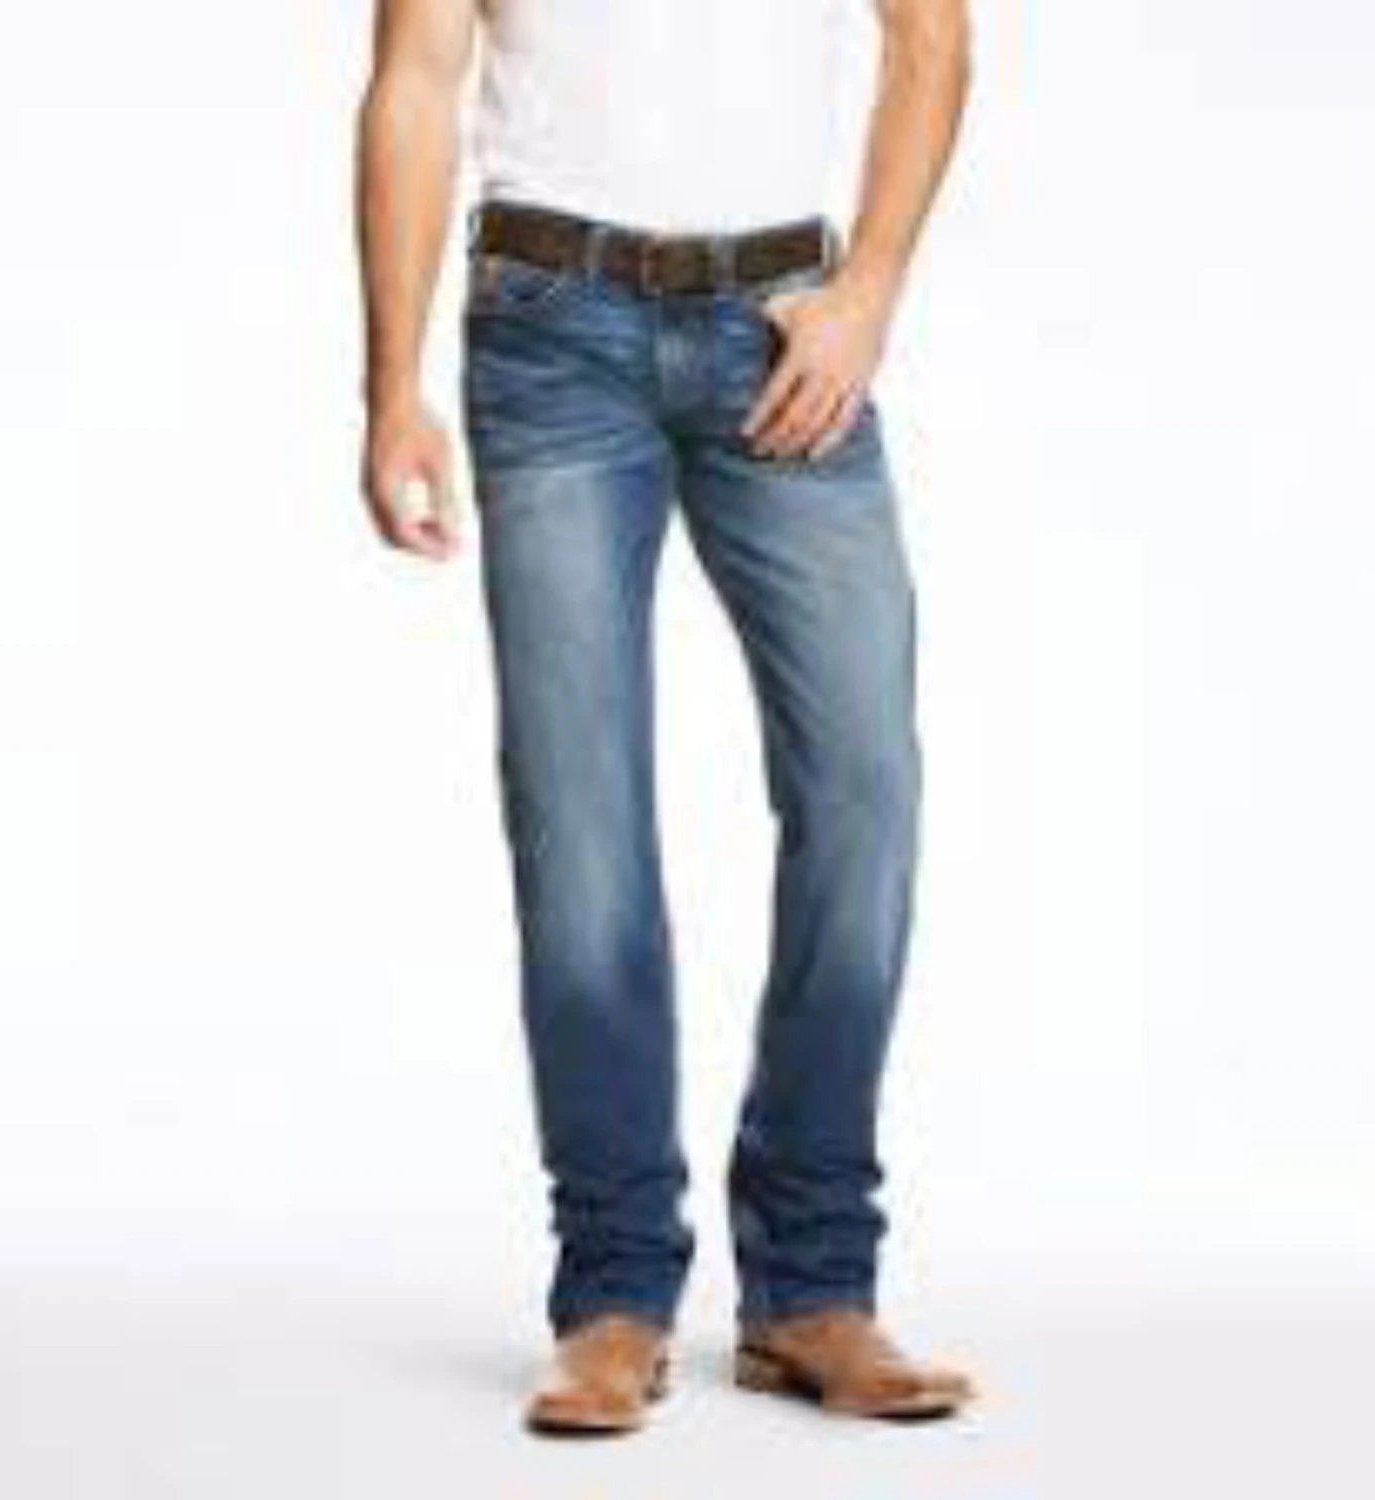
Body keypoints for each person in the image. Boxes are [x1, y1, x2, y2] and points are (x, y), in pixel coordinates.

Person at [355, 0, 977, 1435]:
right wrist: (391, 387)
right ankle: (612, 1293)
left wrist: (869, 291)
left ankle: (813, 1284)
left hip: (787, 325)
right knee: (579, 821)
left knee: (865, 790)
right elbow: (414, 82)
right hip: (548, 324)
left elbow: (931, 40)